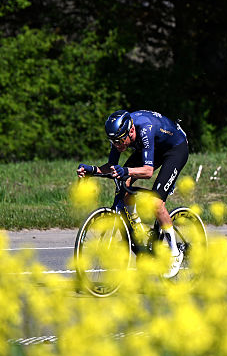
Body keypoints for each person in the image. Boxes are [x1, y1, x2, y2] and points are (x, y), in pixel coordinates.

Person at [77, 109, 189, 277]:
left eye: (120, 141)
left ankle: (175, 252)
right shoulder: (119, 134)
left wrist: (126, 170)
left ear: (131, 131)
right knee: (124, 185)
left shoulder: (144, 129)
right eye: (113, 142)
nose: (118, 146)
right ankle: (136, 226)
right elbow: (111, 166)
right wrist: (92, 170)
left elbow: (148, 171)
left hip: (175, 149)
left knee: (157, 204)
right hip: (153, 147)